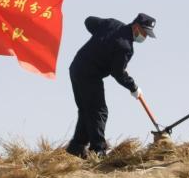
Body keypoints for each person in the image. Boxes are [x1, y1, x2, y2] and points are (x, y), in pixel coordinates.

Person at [66, 13, 156, 158]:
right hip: (90, 75)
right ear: (136, 26)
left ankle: (76, 147)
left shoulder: (112, 24)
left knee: (86, 110)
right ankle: (98, 150)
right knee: (99, 111)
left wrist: (101, 41)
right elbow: (118, 73)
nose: (145, 36)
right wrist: (133, 87)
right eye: (144, 32)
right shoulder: (125, 47)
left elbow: (89, 21)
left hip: (76, 67)